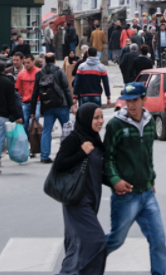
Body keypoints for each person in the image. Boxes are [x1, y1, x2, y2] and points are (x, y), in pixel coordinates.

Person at [104, 82, 166, 275]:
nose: (130, 105)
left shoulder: (149, 122)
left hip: (147, 194)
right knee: (116, 240)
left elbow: (148, 154)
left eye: (135, 100)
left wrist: (152, 179)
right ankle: (82, 265)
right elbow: (107, 157)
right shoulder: (115, 124)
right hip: (126, 195)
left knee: (158, 240)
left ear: (144, 99)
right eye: (128, 101)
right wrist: (115, 180)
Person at [55, 103, 107, 274]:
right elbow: (59, 166)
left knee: (78, 244)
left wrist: (119, 183)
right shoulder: (75, 139)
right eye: (96, 118)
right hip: (76, 200)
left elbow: (98, 172)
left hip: (91, 198)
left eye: (101, 117)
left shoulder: (95, 139)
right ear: (86, 119)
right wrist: (81, 153)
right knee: (96, 241)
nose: (101, 121)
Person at [32, 53, 74, 164]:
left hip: (47, 105)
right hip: (62, 105)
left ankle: (44, 155)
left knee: (46, 131)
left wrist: (32, 110)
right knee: (67, 130)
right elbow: (66, 88)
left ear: (45, 60)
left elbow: (35, 92)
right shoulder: (59, 72)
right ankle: (68, 153)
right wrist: (71, 104)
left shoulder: (40, 73)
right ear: (55, 61)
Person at [16, 54, 41, 131]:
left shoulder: (40, 72)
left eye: (28, 62)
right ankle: (27, 139)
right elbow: (18, 90)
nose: (26, 64)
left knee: (35, 119)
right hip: (25, 101)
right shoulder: (21, 74)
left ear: (33, 62)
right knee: (25, 122)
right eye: (25, 63)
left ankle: (32, 138)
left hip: (37, 100)